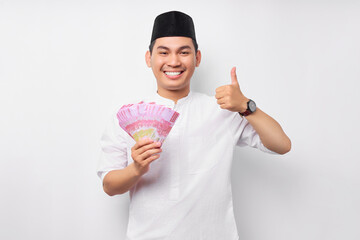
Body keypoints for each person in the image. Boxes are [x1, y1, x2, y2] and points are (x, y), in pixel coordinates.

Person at [97, 10, 291, 240]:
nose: (174, 61)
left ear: (197, 58)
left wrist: (246, 105)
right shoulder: (127, 116)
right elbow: (109, 185)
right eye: (164, 52)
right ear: (149, 58)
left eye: (184, 52)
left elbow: (282, 145)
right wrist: (136, 169)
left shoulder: (222, 110)